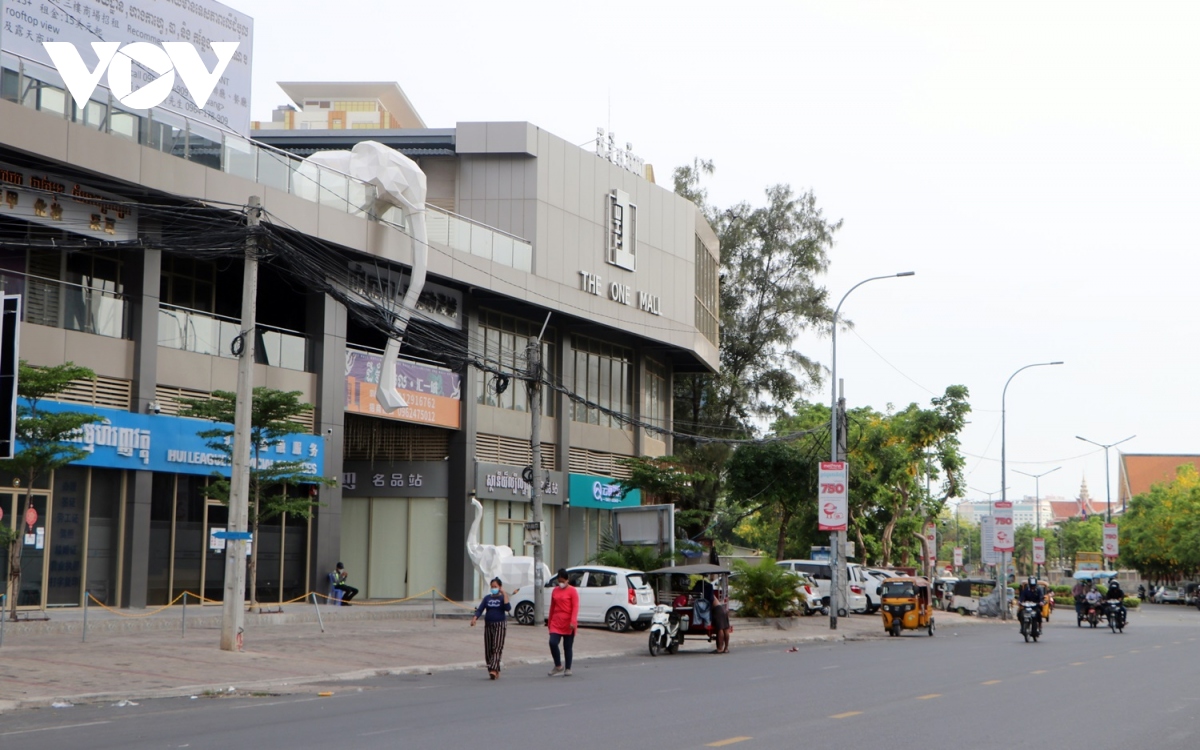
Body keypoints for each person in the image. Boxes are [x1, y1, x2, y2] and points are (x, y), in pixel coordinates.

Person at [471, 577, 511, 680]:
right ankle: (493, 669)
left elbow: (508, 608)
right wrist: (475, 618)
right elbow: (480, 609)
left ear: (500, 587)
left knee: (496, 647)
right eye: (492, 587)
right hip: (488, 625)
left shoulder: (503, 598)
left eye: (495, 587)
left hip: (500, 625)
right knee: (488, 649)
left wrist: (504, 594)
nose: (493, 588)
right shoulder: (487, 598)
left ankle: (494, 669)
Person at [547, 568, 579, 677]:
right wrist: (550, 621)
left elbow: (575, 607)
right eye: (559, 581)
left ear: (567, 580)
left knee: (567, 646)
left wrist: (573, 621)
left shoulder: (572, 591)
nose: (560, 583)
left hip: (568, 622)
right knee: (552, 642)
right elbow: (552, 607)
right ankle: (558, 665)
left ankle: (568, 668)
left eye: (562, 581)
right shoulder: (555, 590)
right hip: (556, 621)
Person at [710, 586, 732, 654]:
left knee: (720, 629)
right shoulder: (712, 595)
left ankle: (719, 648)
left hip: (718, 610)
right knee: (726, 629)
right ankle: (726, 648)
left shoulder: (708, 595)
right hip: (723, 609)